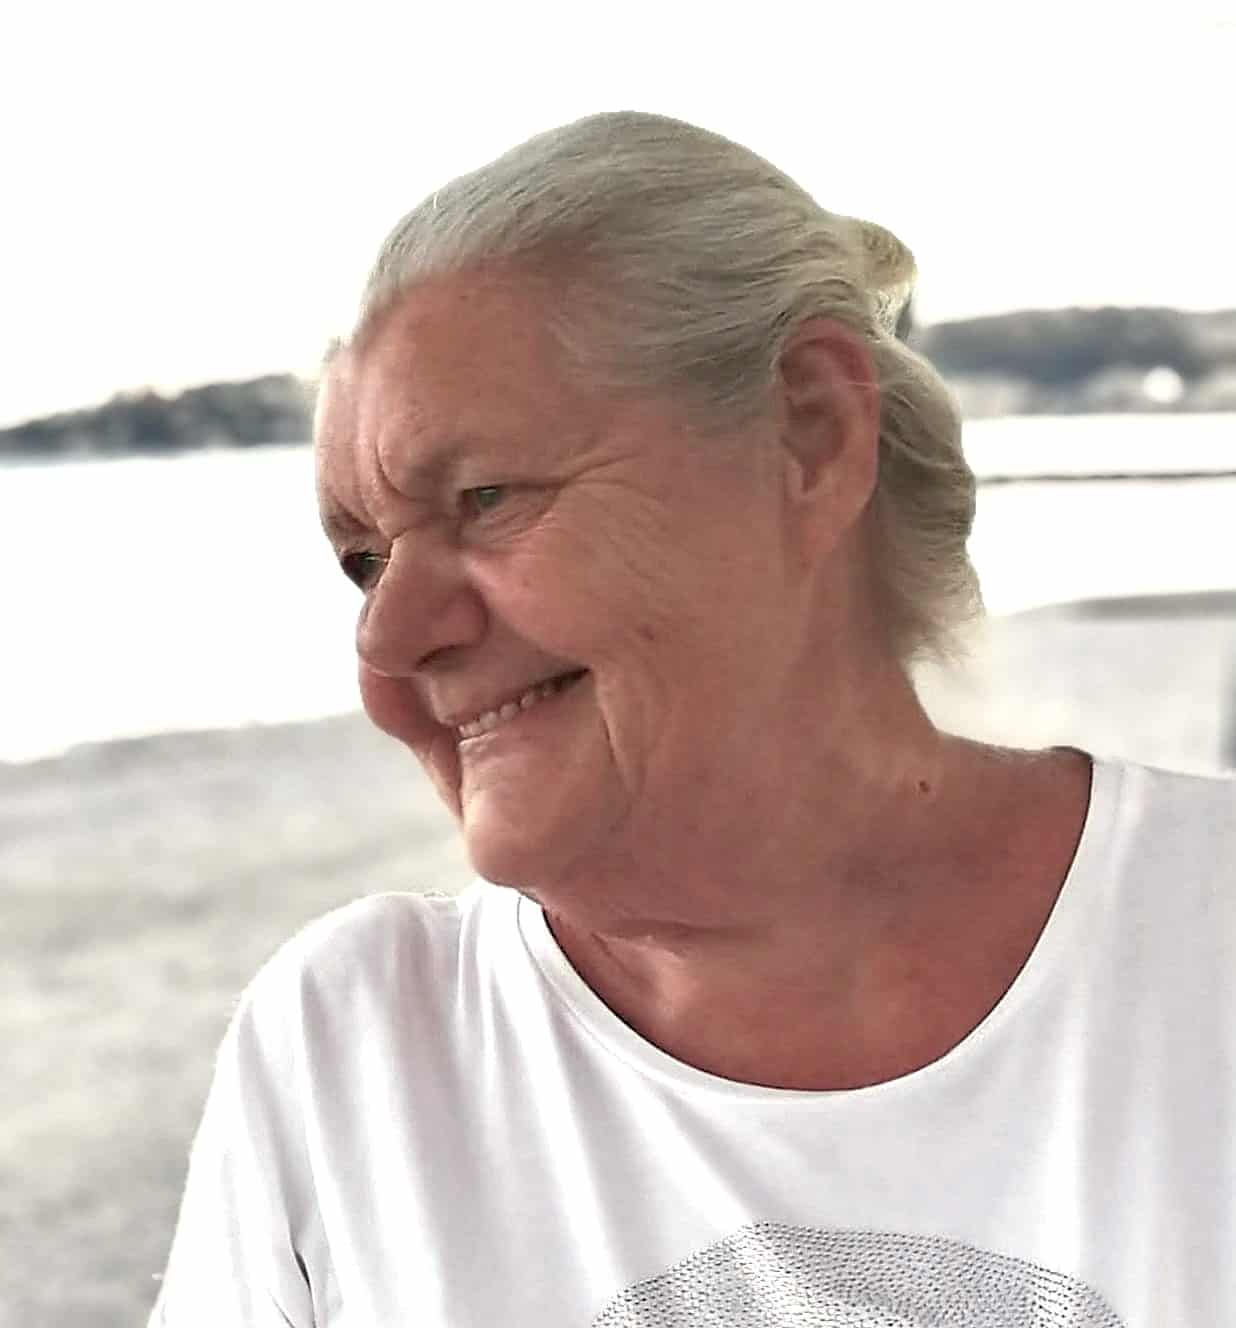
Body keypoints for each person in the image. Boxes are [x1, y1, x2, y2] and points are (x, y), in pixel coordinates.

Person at [149, 112, 1235, 1327]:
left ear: (811, 434)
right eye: (363, 561)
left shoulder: (1204, 935)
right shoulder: (356, 1053)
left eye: (485, 497)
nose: (387, 640)